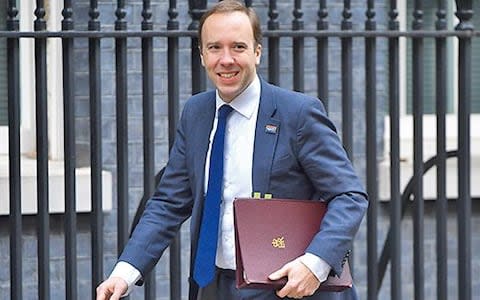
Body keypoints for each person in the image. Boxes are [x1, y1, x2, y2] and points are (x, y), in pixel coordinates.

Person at [96, 0, 368, 299]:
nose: (226, 59)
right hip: (214, 286)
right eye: (214, 48)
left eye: (238, 47)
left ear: (257, 52)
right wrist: (124, 273)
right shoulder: (196, 113)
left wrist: (315, 263)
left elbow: (349, 196)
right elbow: (169, 202)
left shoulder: (298, 113)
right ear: (202, 55)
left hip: (289, 288)